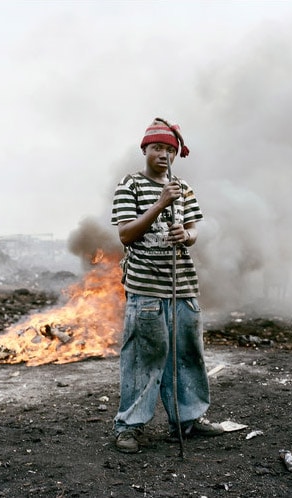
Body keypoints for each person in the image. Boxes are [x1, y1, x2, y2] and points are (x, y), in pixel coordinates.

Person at [111, 117, 224, 453]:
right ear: (145, 150)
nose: (163, 154)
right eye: (156, 148)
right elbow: (126, 234)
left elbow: (194, 230)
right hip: (146, 289)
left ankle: (188, 420)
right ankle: (128, 427)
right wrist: (160, 203)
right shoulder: (129, 185)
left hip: (183, 287)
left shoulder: (184, 189)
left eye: (169, 150)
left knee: (188, 355)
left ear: (176, 155)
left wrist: (185, 235)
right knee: (143, 358)